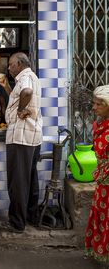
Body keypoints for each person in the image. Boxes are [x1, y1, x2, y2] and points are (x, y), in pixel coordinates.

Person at [0, 52, 43, 233]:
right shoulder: (31, 77)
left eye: (11, 64)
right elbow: (17, 100)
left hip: (21, 137)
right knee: (30, 180)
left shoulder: (25, 77)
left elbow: (27, 93)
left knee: (18, 182)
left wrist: (21, 110)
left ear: (20, 64)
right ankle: (31, 216)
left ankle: (16, 223)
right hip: (31, 137)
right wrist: (7, 87)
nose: (8, 68)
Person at [85, 85, 109, 266]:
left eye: (98, 104)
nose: (94, 108)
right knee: (102, 217)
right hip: (103, 181)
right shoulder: (101, 125)